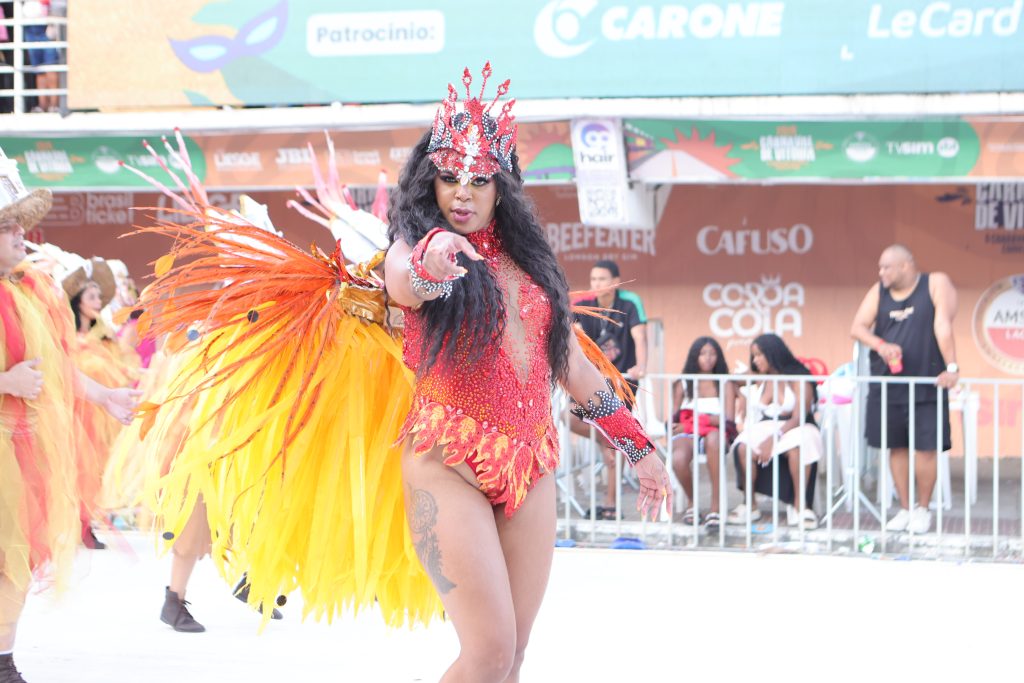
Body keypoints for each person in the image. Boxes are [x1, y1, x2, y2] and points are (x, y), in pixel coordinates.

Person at [131, 64, 672, 683]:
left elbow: (570, 363)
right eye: (448, 178)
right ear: (429, 181)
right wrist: (433, 263)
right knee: (489, 652)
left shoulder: (532, 269)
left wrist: (638, 448)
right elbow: (405, 286)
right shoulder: (412, 249)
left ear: (503, 188)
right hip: (447, 467)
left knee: (513, 658)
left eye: (477, 180)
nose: (462, 193)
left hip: (533, 465)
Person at [0, 156, 137, 683]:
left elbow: (57, 366)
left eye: (20, 224)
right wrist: (6, 383)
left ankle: (4, 659)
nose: (21, 234)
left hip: (22, 450)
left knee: (18, 558)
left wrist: (103, 395)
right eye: (8, 226)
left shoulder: (31, 290)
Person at [851, 244, 957, 534]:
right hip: (889, 383)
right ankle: (906, 509)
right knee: (895, 447)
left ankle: (923, 510)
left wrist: (951, 369)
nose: (881, 272)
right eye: (879, 267)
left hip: (926, 382)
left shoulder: (935, 283)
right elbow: (858, 327)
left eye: (886, 267)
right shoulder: (878, 292)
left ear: (906, 266)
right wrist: (881, 345)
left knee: (926, 450)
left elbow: (943, 325)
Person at [63, 258, 139, 550]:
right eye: (91, 296)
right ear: (78, 301)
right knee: (71, 467)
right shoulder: (66, 336)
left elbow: (122, 367)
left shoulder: (105, 336)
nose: (97, 302)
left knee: (92, 469)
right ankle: (71, 525)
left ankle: (85, 525)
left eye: (99, 296)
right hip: (72, 414)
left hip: (98, 417)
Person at [572, 259, 648, 518]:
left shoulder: (629, 302)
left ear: (615, 281)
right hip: (592, 382)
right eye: (593, 279)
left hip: (622, 383)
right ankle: (611, 441)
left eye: (602, 279)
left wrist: (641, 366)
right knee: (570, 420)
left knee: (614, 441)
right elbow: (573, 335)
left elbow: (640, 336)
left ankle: (611, 505)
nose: (596, 284)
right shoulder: (583, 304)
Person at [727, 334, 822, 531]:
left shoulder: (798, 378)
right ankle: (750, 505)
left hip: (797, 425)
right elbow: (731, 382)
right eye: (753, 356)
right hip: (767, 425)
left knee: (797, 446)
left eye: (759, 355)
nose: (755, 360)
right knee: (743, 448)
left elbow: (798, 417)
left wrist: (774, 438)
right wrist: (741, 401)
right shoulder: (761, 377)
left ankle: (800, 506)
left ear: (773, 353)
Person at [670, 336, 736, 529]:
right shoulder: (683, 383)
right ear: (694, 356)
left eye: (713, 353)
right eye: (703, 353)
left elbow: (728, 422)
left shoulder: (725, 383)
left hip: (714, 435)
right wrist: (706, 420)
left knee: (714, 438)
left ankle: (715, 506)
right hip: (688, 436)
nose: (708, 358)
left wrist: (696, 420)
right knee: (679, 458)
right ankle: (692, 501)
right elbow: (674, 422)